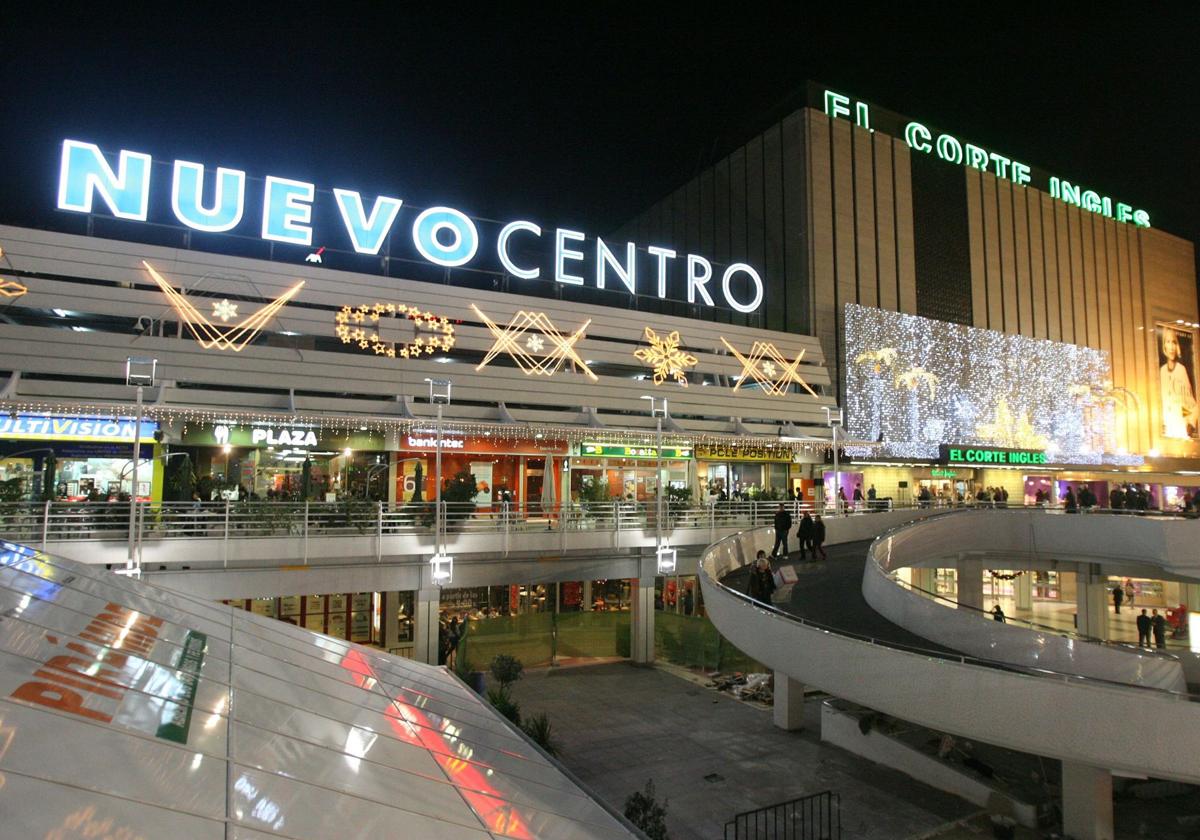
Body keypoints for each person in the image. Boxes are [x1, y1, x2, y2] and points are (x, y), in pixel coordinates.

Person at [1160, 326, 1198, 439]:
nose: (1171, 347)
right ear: (1164, 345)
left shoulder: (1181, 370)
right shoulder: (1161, 371)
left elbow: (1188, 402)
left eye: (1174, 342)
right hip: (1166, 429)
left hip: (1180, 428)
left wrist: (1189, 423)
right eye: (1168, 342)